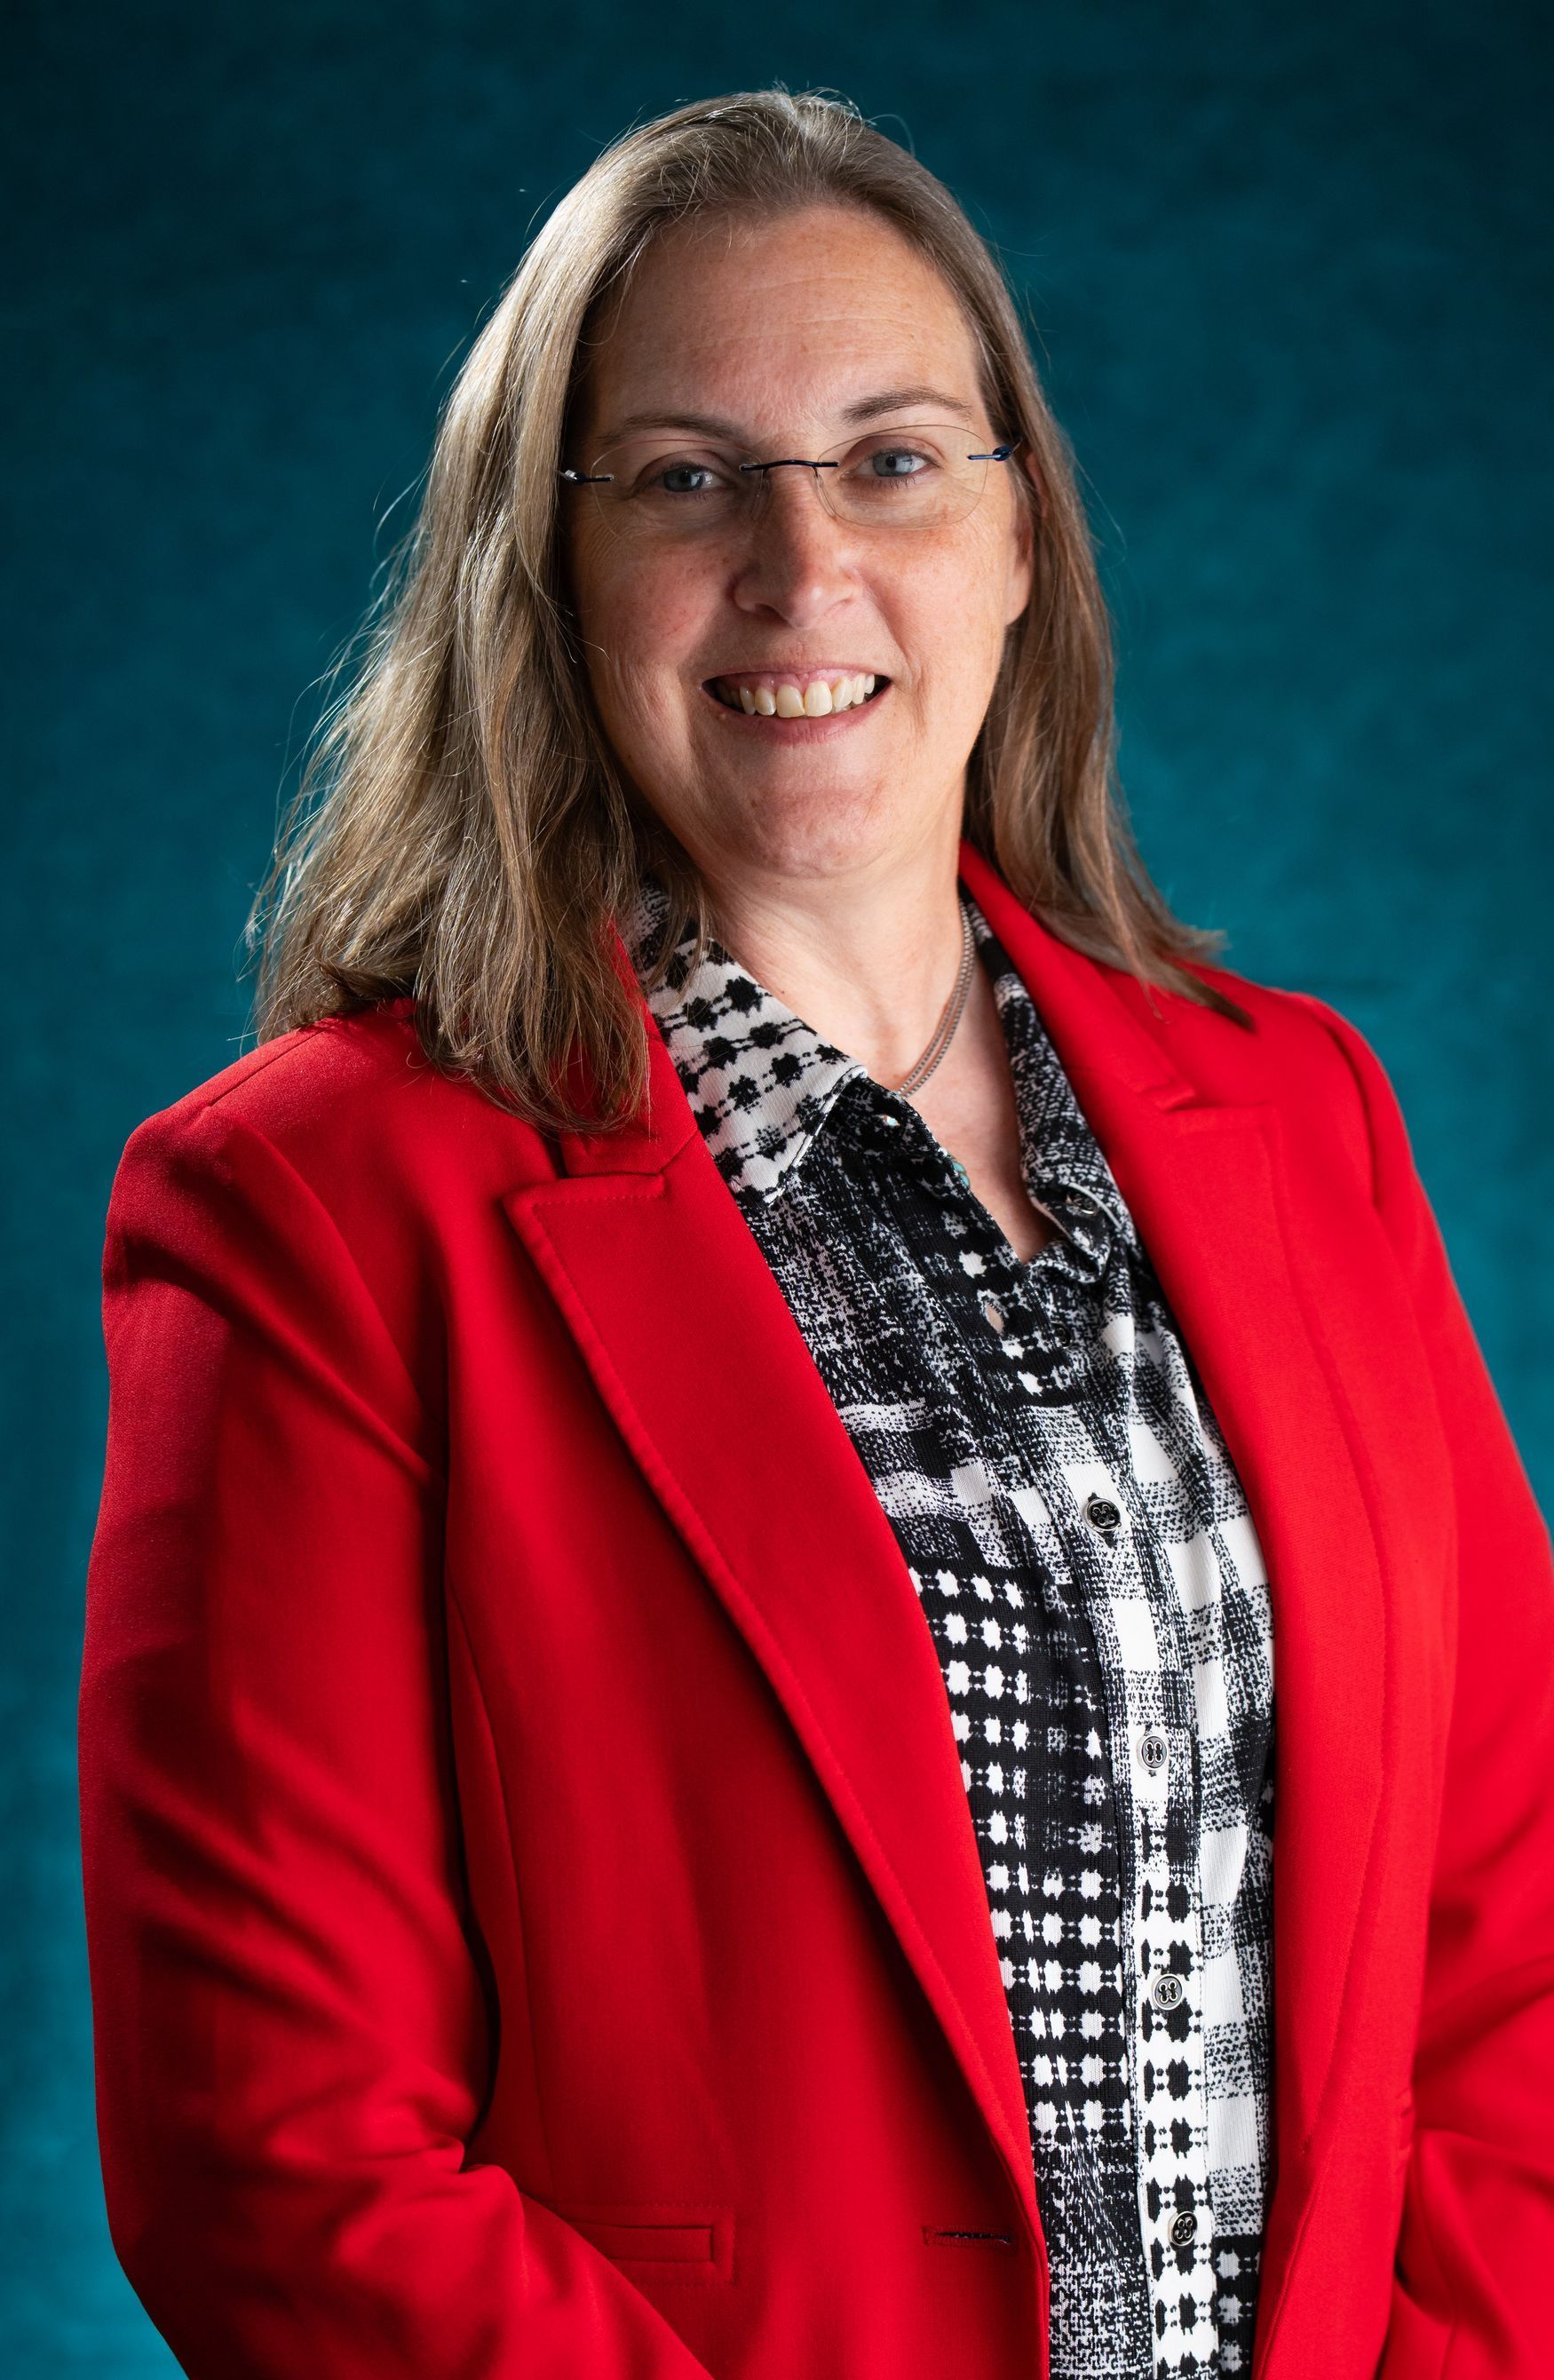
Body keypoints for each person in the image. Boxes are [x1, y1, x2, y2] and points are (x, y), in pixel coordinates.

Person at [78, 87, 1553, 2380]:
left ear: (1017, 539)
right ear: (544, 575)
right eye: (685, 479)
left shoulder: (1302, 1116)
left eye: (888, 460)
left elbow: (1514, 1948)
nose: (799, 567)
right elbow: (279, 2158)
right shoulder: (314, 1218)